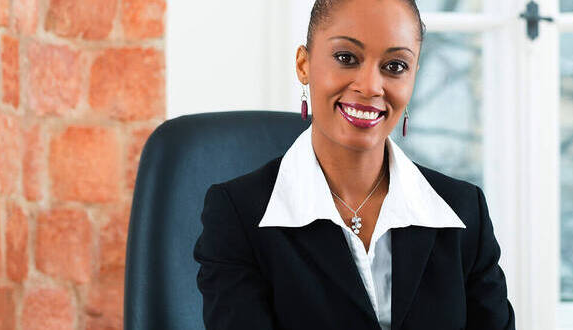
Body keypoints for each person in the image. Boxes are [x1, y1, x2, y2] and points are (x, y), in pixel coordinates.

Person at [193, 0, 515, 329]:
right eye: (346, 58)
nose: (371, 86)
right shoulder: (238, 216)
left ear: (413, 76)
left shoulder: (463, 212)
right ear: (304, 64)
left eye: (395, 66)